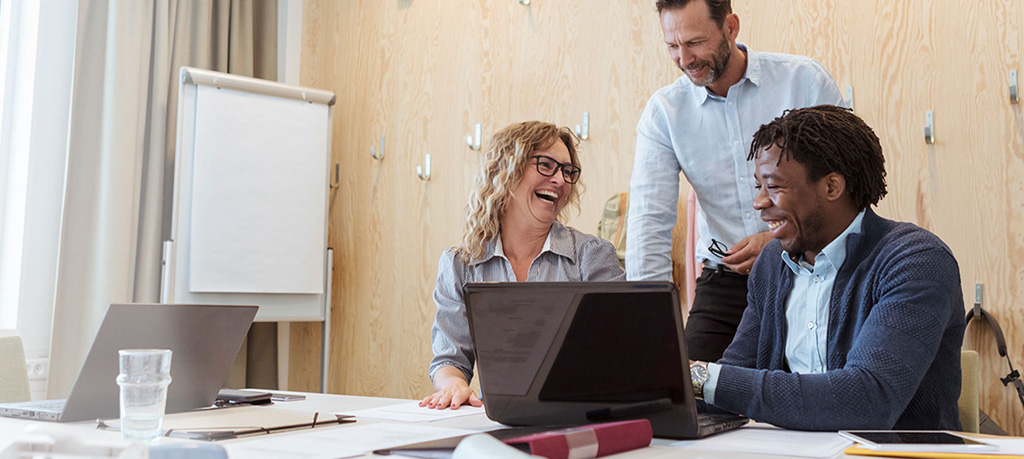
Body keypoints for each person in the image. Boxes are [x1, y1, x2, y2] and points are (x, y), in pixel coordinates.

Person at [689, 105, 965, 430]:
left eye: (774, 187)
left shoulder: (916, 260)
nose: (760, 202)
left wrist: (699, 376)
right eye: (758, 187)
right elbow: (733, 378)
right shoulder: (771, 264)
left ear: (832, 187)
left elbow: (866, 401)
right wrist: (654, 384)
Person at [626, 0, 845, 362]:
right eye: (672, 46)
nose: (684, 59)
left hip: (811, 269)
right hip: (726, 284)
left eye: (695, 42)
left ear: (730, 27)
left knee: (809, 393)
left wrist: (775, 243)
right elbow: (648, 222)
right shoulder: (665, 113)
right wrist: (650, 325)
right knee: (680, 394)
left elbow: (845, 185)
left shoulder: (803, 82)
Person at [421, 121, 625, 410]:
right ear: (505, 170)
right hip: (499, 418)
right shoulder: (460, 264)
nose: (560, 180)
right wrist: (454, 384)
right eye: (546, 165)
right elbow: (449, 360)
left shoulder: (592, 257)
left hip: (580, 415)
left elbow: (623, 351)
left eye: (567, 171)